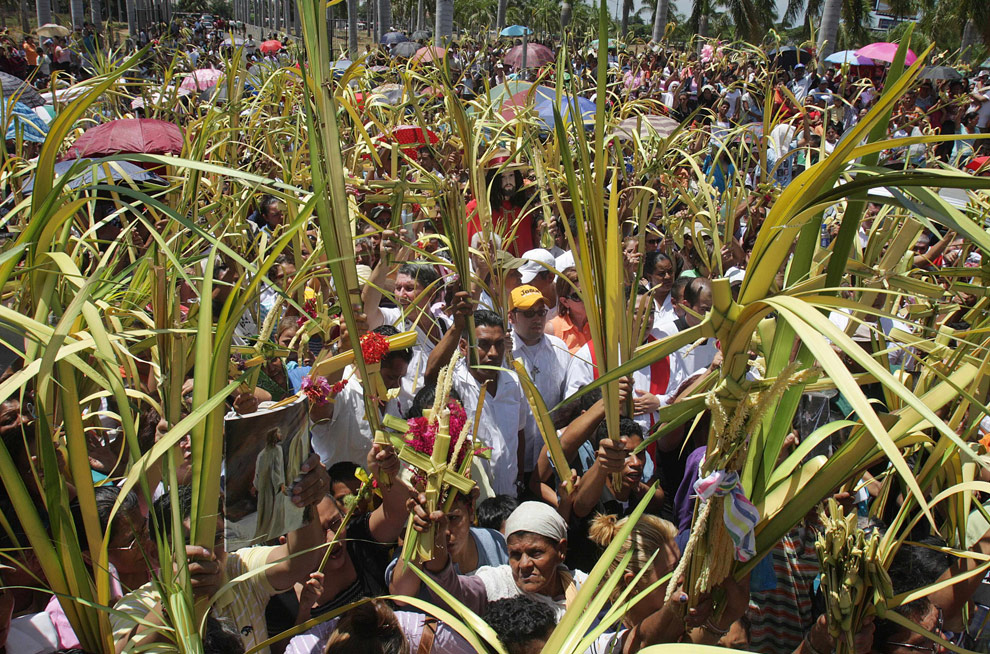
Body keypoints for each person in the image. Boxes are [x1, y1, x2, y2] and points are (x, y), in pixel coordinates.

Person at [112, 449, 330, 654]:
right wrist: (175, 602)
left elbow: (298, 561)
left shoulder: (237, 570)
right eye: (186, 544)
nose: (205, 553)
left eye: (216, 538)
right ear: (153, 553)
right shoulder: (136, 606)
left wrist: (302, 495)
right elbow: (127, 649)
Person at [411, 499, 587, 620]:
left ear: (561, 551)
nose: (524, 564)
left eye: (536, 553)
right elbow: (451, 592)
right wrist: (436, 539)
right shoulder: (495, 585)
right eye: (515, 555)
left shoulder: (584, 588)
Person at [426, 302, 528, 497]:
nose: (493, 353)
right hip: (471, 500)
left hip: (509, 494)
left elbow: (519, 434)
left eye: (499, 344)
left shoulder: (513, 382)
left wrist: (520, 479)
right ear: (464, 346)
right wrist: (456, 326)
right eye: (483, 344)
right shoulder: (453, 383)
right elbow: (431, 377)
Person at [309, 324, 411, 467]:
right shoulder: (343, 390)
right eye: (391, 377)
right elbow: (317, 405)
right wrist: (342, 348)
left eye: (401, 378)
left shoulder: (393, 399)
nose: (397, 386)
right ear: (371, 365)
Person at [508, 285, 571, 477]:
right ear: (511, 317)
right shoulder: (503, 353)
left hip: (552, 461)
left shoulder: (559, 348)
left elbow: (569, 398)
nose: (537, 319)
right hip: (514, 462)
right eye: (528, 313)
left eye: (541, 312)